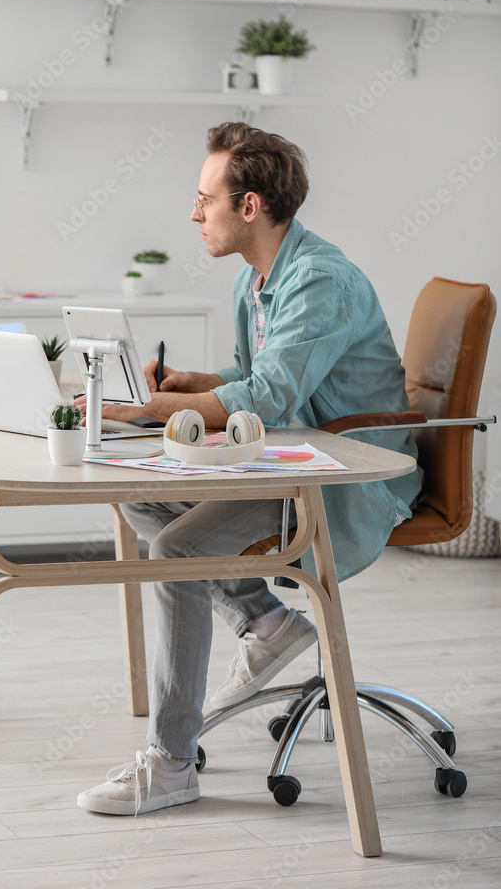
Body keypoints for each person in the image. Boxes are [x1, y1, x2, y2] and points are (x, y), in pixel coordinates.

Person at [76, 122, 423, 817]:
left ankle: (171, 765)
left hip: (348, 476)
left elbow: (269, 397)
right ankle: (266, 622)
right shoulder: (255, 280)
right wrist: (185, 386)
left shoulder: (318, 280)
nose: (194, 213)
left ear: (250, 206)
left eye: (205, 198)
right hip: (296, 454)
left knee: (177, 550)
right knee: (141, 496)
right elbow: (253, 375)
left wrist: (148, 411)